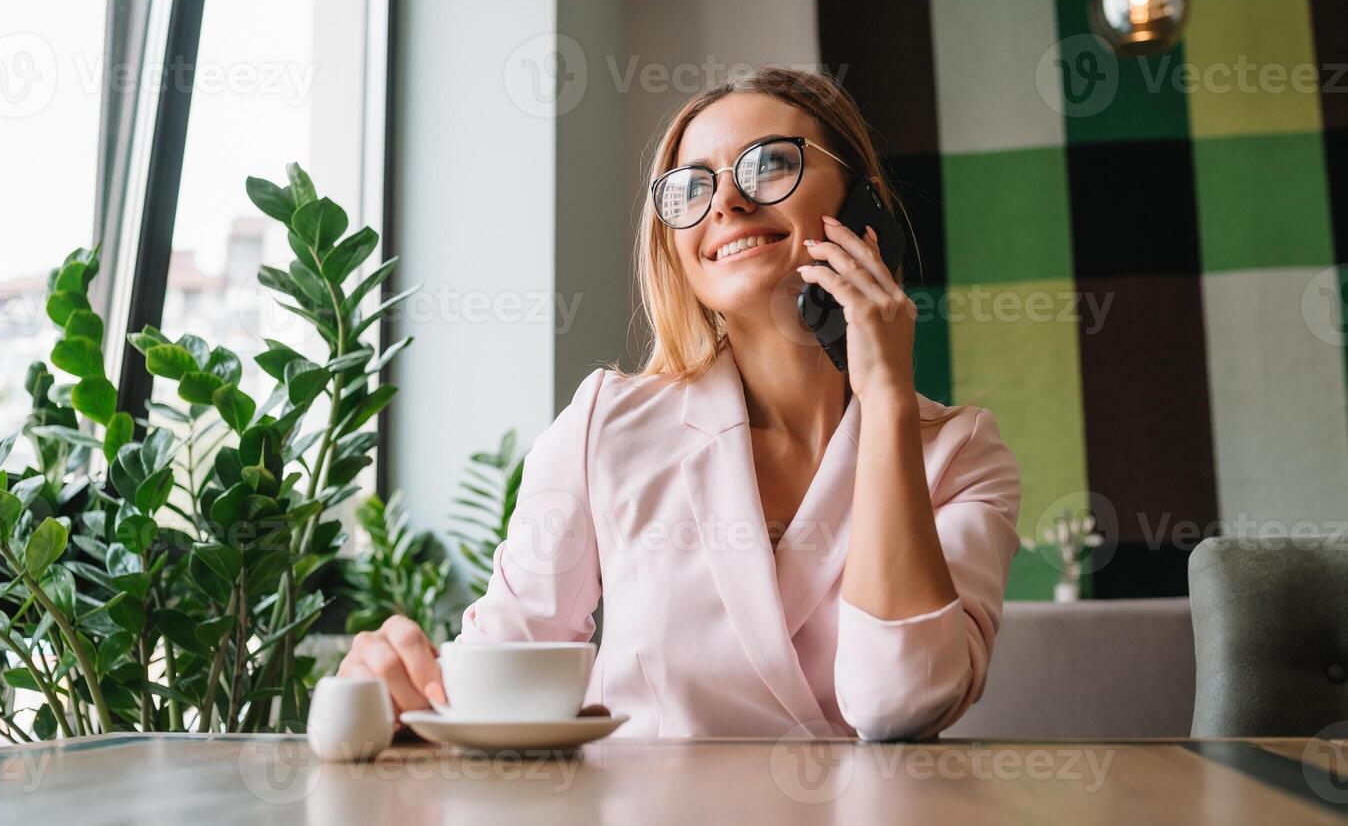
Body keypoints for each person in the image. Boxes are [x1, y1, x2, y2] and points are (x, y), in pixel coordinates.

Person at [338, 66, 1022, 740]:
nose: (725, 204)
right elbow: (504, 673)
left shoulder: (960, 454)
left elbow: (900, 700)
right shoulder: (606, 426)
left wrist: (888, 404)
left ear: (862, 203)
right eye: (691, 187)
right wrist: (396, 681)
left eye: (769, 164)